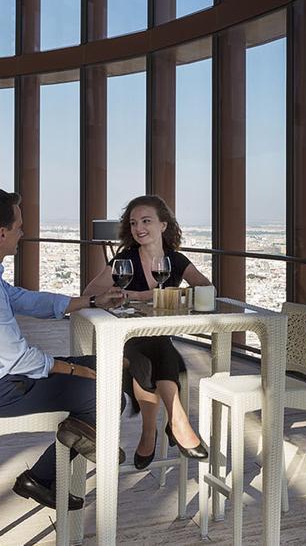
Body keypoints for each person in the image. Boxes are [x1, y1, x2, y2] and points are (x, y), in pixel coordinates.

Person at [0, 187, 126, 511]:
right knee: (106, 394)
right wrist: (79, 371)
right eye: (20, 227)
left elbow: (24, 299)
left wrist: (91, 301)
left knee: (103, 366)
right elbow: (22, 359)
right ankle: (44, 475)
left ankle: (77, 439)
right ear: (2, 233)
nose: (24, 233)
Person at [82, 195, 211, 469]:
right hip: (126, 340)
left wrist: (163, 295)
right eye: (133, 222)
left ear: (163, 225)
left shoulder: (176, 260)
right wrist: (136, 295)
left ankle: (150, 430)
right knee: (157, 351)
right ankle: (178, 421)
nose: (138, 227)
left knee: (155, 350)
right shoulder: (125, 259)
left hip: (153, 342)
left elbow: (205, 288)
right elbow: (90, 293)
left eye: (146, 220)